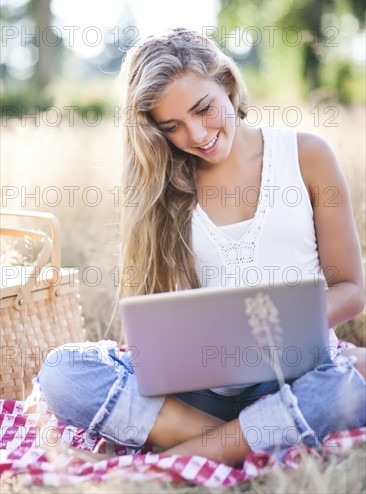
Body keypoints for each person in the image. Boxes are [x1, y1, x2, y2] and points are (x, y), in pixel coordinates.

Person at [37, 28, 366, 467]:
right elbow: (154, 319)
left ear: (227, 85)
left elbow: (351, 289)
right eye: (172, 127)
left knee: (355, 376)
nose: (197, 135)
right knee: (62, 373)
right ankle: (237, 441)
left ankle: (187, 453)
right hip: (197, 396)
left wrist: (264, 335)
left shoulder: (306, 156)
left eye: (203, 109)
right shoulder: (165, 188)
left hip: (291, 377)